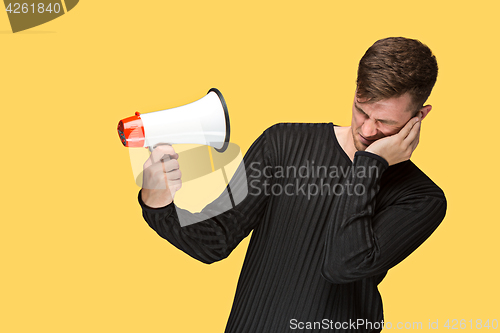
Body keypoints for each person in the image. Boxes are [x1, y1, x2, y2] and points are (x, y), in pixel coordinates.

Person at [138, 37, 447, 333]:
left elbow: (343, 265)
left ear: (420, 116)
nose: (367, 129)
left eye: (385, 123)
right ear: (356, 90)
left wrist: (370, 165)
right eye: (361, 110)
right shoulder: (284, 142)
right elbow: (214, 240)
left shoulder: (421, 198)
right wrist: (158, 202)